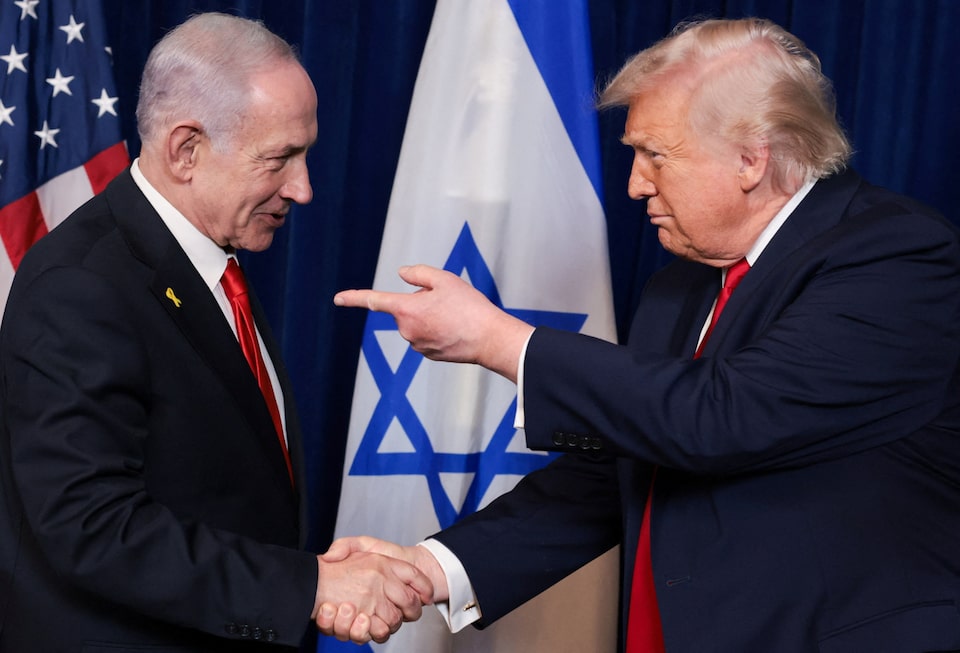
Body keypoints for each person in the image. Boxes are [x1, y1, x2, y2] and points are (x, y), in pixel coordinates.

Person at [323, 17, 960, 652]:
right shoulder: (678, 288)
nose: (634, 183)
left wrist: (501, 341)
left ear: (751, 157)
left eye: (655, 154)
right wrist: (430, 569)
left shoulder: (895, 255)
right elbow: (614, 476)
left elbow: (724, 416)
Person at [0, 12, 430, 652]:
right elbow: (90, 526)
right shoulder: (81, 285)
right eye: (280, 158)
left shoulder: (202, 255)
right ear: (186, 150)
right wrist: (308, 587)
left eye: (305, 154)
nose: (304, 188)